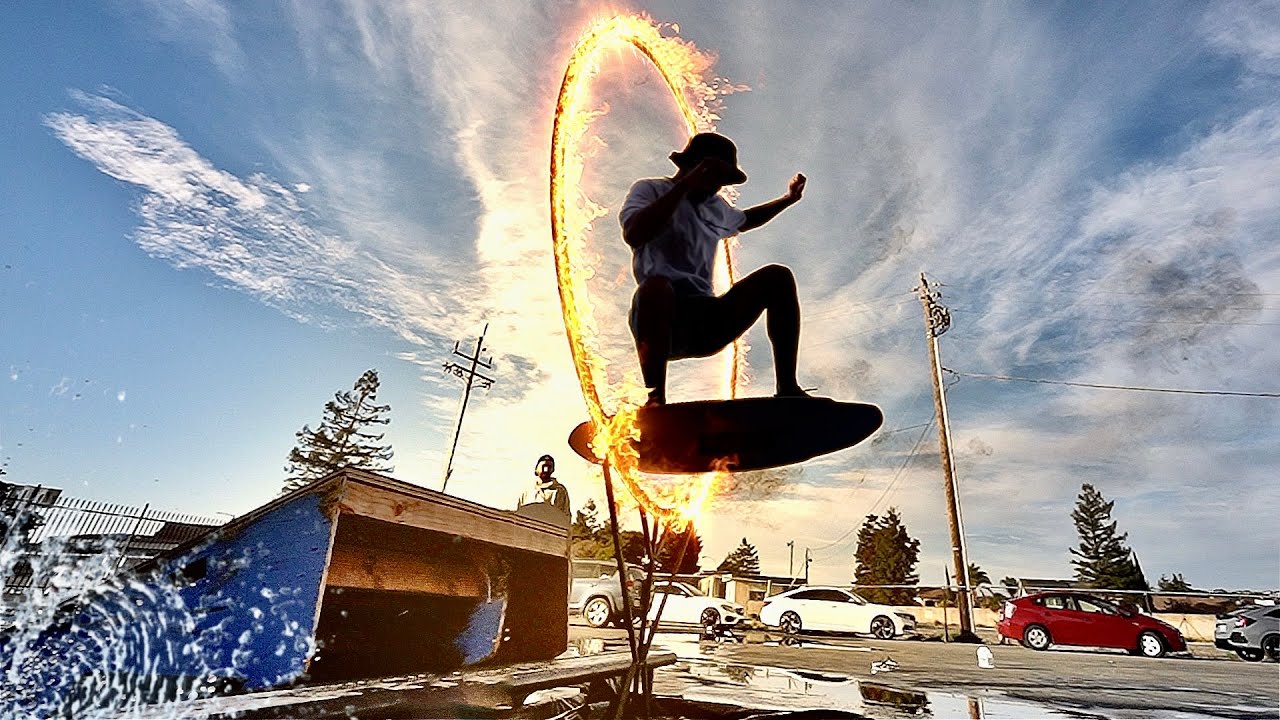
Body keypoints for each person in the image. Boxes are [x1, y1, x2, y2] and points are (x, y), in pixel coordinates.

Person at [619, 132, 810, 407]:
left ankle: (788, 387)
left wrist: (787, 199)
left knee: (777, 277)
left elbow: (746, 220)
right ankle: (655, 398)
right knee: (656, 287)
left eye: (722, 180)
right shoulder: (650, 189)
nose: (716, 187)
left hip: (707, 321)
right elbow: (635, 233)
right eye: (712, 176)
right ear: (692, 167)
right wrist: (684, 187)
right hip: (661, 321)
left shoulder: (715, 207)